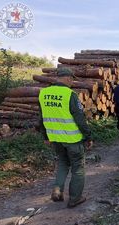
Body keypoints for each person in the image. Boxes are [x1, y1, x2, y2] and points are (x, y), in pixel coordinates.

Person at [38, 67, 93, 208]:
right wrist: (88, 136)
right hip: (73, 139)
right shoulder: (70, 95)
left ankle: (58, 189)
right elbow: (80, 118)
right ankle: (75, 198)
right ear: (68, 78)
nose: (72, 82)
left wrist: (45, 136)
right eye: (72, 79)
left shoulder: (43, 93)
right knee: (78, 168)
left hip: (55, 138)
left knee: (63, 163)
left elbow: (41, 118)